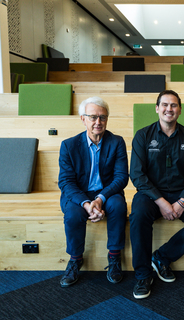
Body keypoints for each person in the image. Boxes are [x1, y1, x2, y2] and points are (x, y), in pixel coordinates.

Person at [129, 90, 184, 299]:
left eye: (174, 105)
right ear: (157, 108)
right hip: (150, 194)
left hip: (181, 193)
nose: (169, 109)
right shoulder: (142, 136)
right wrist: (161, 202)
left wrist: (182, 201)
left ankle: (161, 257)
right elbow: (137, 175)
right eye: (165, 105)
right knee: (137, 216)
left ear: (180, 110)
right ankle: (142, 275)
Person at [58, 96, 129, 288]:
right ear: (83, 119)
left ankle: (114, 257)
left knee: (118, 205)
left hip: (107, 192)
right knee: (73, 214)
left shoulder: (117, 142)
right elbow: (66, 182)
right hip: (78, 193)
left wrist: (100, 198)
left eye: (103, 117)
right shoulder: (68, 145)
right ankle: (75, 259)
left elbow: (121, 177)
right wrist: (87, 203)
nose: (98, 122)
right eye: (93, 117)